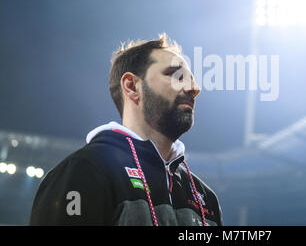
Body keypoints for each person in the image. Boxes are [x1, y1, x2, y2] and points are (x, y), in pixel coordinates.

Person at [30, 33, 223, 226]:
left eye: (191, 79)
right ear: (131, 87)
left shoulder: (205, 196)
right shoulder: (84, 171)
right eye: (176, 75)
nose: (194, 88)